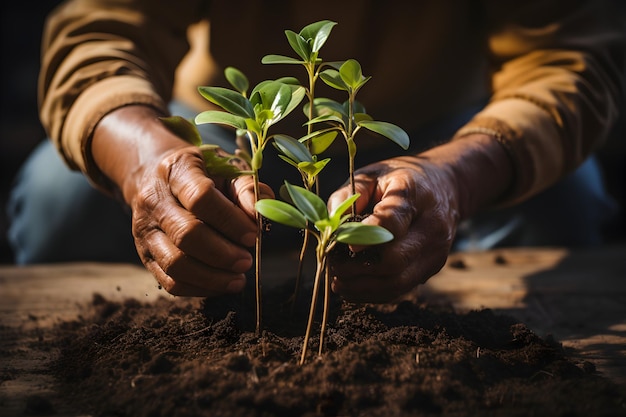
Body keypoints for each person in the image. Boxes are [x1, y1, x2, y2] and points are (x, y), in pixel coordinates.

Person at [7, 0, 625, 302]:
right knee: (58, 199)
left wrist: (455, 175)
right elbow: (102, 26)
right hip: (238, 123)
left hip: (442, 134)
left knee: (563, 200)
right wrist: (145, 150)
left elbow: (571, 59)